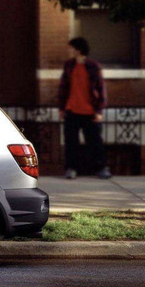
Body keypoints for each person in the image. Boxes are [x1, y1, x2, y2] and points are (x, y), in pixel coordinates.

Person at [58, 37, 111, 180]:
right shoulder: (69, 65)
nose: (68, 50)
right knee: (71, 142)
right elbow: (63, 88)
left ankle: (101, 168)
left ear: (78, 49)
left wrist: (99, 111)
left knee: (95, 142)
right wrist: (62, 108)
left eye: (70, 48)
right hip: (71, 110)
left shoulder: (93, 66)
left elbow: (101, 89)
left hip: (90, 111)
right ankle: (71, 169)